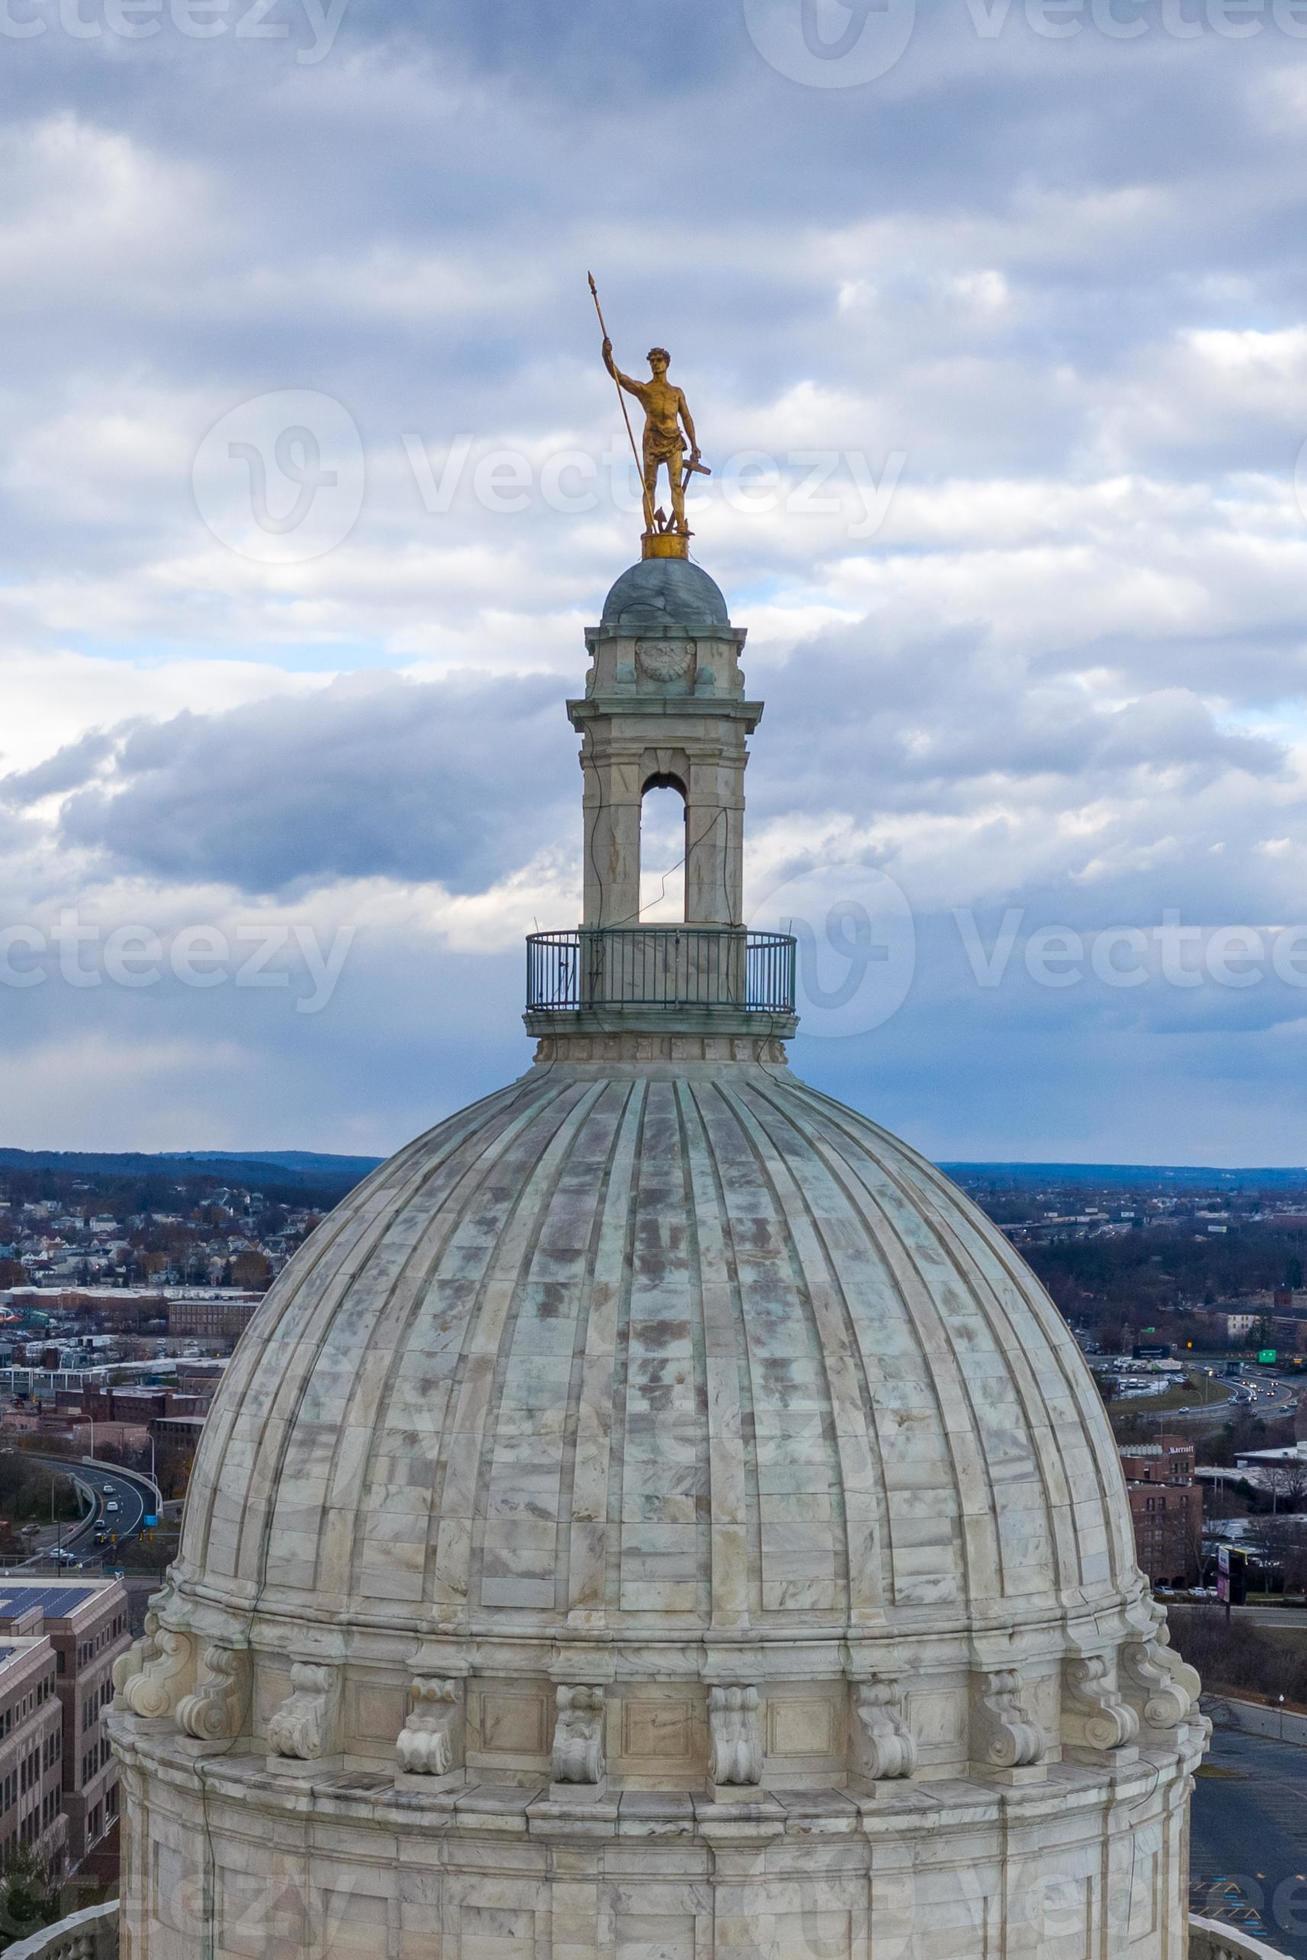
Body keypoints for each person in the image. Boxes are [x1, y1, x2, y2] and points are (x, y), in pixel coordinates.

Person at [602, 338, 701, 535]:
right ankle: (649, 527)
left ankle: (680, 523)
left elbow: (687, 417)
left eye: (659, 360)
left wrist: (694, 444)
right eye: (652, 361)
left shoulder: (676, 392)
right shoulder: (645, 390)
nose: (655, 364)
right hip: (653, 440)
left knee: (676, 483)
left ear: (666, 363)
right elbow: (620, 377)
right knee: (649, 484)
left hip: (674, 439)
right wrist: (607, 356)